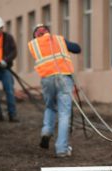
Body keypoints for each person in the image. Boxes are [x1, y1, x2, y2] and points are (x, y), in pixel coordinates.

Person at [28, 24, 81, 157]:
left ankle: (46, 131)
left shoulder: (34, 45)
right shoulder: (58, 39)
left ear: (35, 35)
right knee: (64, 114)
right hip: (64, 77)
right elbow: (77, 48)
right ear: (48, 32)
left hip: (47, 79)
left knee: (50, 107)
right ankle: (62, 149)